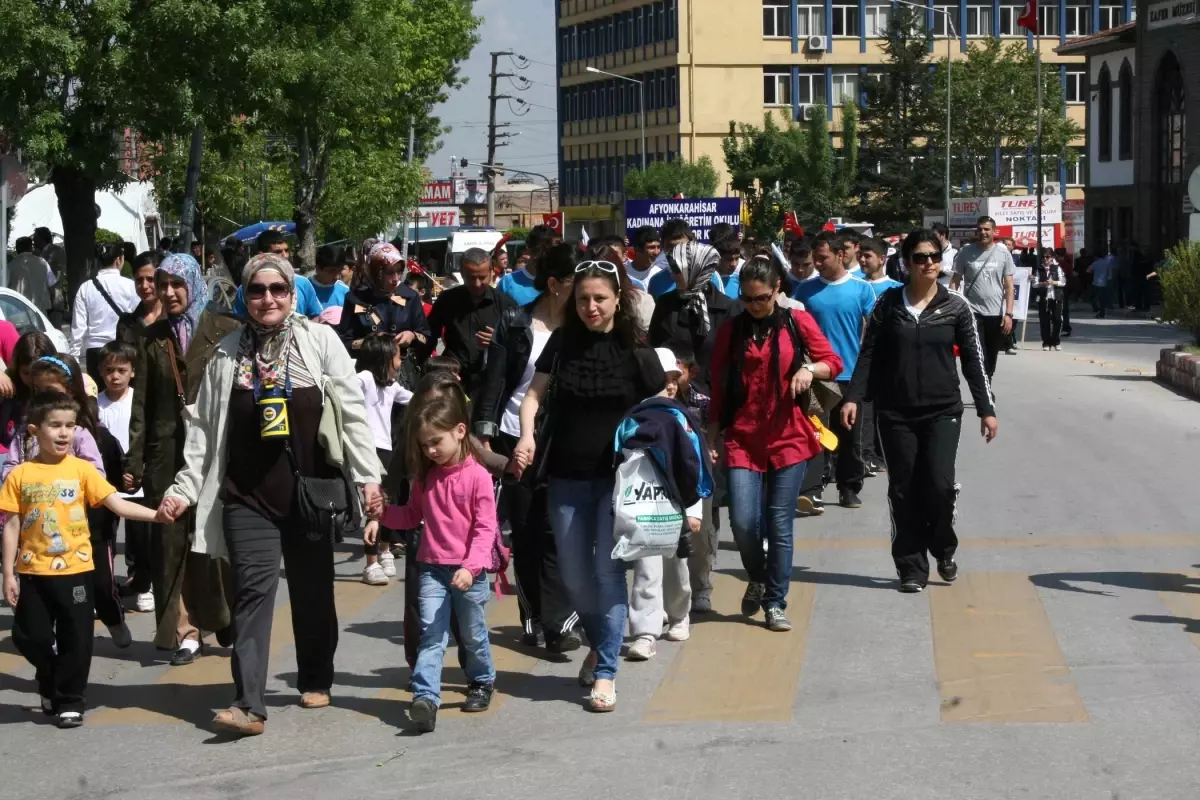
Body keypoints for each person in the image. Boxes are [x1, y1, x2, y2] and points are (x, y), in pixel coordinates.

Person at [157, 252, 383, 737]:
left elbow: (352, 414)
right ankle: (249, 704)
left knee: (313, 593)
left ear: (291, 293)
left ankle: (316, 675)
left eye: (278, 289)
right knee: (253, 597)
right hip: (246, 497)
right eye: (256, 291)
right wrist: (184, 488)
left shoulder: (319, 342)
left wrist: (369, 478)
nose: (267, 299)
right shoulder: (225, 353)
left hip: (309, 494)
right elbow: (202, 432)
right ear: (244, 295)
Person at [513, 260, 666, 713]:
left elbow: (660, 406)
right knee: (576, 581)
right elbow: (534, 395)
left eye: (600, 298)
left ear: (619, 298)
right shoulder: (561, 344)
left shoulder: (635, 348)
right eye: (583, 299)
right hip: (565, 475)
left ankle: (605, 674)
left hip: (619, 482)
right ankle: (602, 643)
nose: (591, 307)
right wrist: (527, 434)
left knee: (607, 575)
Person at [842, 229, 998, 593]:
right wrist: (853, 397)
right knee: (904, 488)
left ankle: (944, 548)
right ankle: (911, 566)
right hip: (895, 412)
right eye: (920, 257)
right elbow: (868, 354)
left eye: (934, 256)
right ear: (907, 262)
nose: (928, 263)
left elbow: (974, 362)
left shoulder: (956, 306)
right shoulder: (889, 304)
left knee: (940, 486)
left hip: (943, 411)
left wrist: (986, 409)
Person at [1, 392, 162, 728]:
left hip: (76, 571)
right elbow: (12, 524)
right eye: (55, 426)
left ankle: (70, 700)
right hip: (32, 572)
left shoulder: (81, 471)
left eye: (70, 426)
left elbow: (117, 504)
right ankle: (48, 678)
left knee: (77, 638)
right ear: (35, 430)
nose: (64, 433)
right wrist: (8, 574)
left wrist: (156, 515)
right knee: (30, 637)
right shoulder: (20, 475)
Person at [709, 259, 841, 630]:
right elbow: (719, 383)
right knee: (743, 520)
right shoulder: (731, 331)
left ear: (777, 289)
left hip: (789, 435)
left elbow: (833, 361)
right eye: (748, 299)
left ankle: (775, 602)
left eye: (762, 298)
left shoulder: (797, 323)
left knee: (779, 522)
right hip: (742, 436)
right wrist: (713, 430)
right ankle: (758, 575)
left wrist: (808, 368)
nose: (755, 306)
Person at [127, 253, 241, 664]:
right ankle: (185, 631)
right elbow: (141, 405)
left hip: (215, 451)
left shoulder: (226, 330)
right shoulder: (150, 337)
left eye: (178, 284)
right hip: (166, 455)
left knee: (212, 539)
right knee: (170, 545)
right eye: (163, 284)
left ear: (194, 283)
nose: (169, 292)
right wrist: (134, 461)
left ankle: (225, 616)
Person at [473, 243, 581, 653]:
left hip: (564, 442)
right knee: (527, 533)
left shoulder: (583, 326)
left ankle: (559, 621)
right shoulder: (515, 322)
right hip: (512, 437)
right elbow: (495, 380)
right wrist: (484, 435)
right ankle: (537, 616)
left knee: (558, 532)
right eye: (575, 282)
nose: (585, 291)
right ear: (554, 284)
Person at [375, 391, 500, 733]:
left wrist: (471, 566)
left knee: (472, 634)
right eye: (425, 444)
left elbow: (485, 527)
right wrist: (384, 513)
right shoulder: (426, 477)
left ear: (460, 431)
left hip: (468, 574)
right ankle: (426, 698)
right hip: (431, 567)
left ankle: (481, 681)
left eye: (436, 442)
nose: (430, 450)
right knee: (432, 633)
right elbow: (412, 515)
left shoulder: (478, 477)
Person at [647, 240, 742, 612]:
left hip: (715, 418)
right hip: (672, 418)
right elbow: (652, 359)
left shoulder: (729, 310)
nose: (672, 275)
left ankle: (702, 582)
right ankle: (667, 587)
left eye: (678, 267)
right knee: (671, 502)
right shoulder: (666, 309)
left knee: (706, 504)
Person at [793, 231, 878, 509]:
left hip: (850, 375)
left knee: (850, 436)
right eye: (814, 258)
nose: (817, 263)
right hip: (816, 375)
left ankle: (849, 487)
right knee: (815, 433)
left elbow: (873, 332)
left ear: (841, 255)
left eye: (823, 258)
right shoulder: (805, 291)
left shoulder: (862, 289)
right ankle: (812, 489)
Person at [625, 347, 695, 661]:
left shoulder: (681, 417)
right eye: (662, 379)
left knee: (677, 567)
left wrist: (693, 510)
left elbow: (697, 467)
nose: (669, 385)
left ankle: (680, 615)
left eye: (673, 379)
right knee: (646, 567)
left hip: (676, 503)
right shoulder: (630, 418)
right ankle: (645, 632)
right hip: (642, 504)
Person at [96, 341, 154, 614]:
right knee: (104, 539)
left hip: (136, 480)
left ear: (132, 372)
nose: (115, 376)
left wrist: (136, 471)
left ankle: (144, 585)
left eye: (121, 370)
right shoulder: (96, 405)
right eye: (109, 370)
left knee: (141, 538)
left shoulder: (138, 401)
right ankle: (103, 591)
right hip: (104, 481)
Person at [355, 332, 414, 586]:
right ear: (385, 358)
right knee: (374, 504)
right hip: (368, 448)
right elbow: (345, 389)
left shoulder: (390, 386)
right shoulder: (365, 379)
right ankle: (370, 563)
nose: (400, 362)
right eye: (398, 356)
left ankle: (386, 550)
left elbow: (413, 399)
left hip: (386, 449)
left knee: (388, 501)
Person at [427, 247, 515, 399]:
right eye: (471, 277)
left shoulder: (505, 304)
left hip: (491, 383)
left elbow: (519, 344)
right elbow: (429, 335)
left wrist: (499, 340)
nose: (477, 283)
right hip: (453, 380)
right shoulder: (447, 300)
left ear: (492, 272)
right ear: (461, 273)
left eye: (482, 277)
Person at [336, 243, 431, 361]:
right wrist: (371, 343)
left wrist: (412, 336)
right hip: (368, 370)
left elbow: (427, 337)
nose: (396, 279)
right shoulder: (355, 299)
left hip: (402, 370)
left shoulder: (410, 297)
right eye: (390, 273)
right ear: (375, 272)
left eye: (399, 272)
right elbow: (344, 343)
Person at [952, 217, 1015, 381]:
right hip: (972, 312)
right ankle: (983, 389)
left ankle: (987, 382)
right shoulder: (965, 252)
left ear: (994, 231)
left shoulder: (1003, 253)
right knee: (978, 354)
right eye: (980, 229)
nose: (983, 232)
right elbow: (955, 280)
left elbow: (1009, 286)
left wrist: (1008, 314)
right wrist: (954, 306)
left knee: (992, 354)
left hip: (995, 314)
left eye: (986, 229)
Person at [70, 243, 138, 380]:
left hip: (95, 352)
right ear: (119, 260)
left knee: (97, 397)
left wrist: (74, 358)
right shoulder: (130, 285)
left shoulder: (86, 287)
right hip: (122, 348)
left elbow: (78, 327)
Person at [230, 230, 323, 319]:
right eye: (278, 252)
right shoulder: (245, 289)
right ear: (261, 255)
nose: (285, 255)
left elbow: (316, 315)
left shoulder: (303, 283)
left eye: (286, 250)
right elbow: (239, 322)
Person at [498, 225, 558, 305]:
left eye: (550, 251)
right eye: (540, 250)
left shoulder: (561, 282)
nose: (544, 255)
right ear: (528, 248)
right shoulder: (507, 282)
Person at [116, 251, 164, 345]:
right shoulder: (127, 324)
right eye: (139, 280)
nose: (144, 286)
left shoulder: (174, 320)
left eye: (151, 279)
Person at [8, 237, 56, 312]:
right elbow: (52, 287)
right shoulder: (43, 263)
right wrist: (51, 305)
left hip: (18, 310)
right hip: (40, 310)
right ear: (31, 247)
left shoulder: (11, 266)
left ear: (17, 248)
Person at [1035, 249, 1067, 351]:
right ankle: (1046, 342)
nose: (1045, 259)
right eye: (1043, 257)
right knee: (1044, 321)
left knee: (1058, 320)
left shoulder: (1057, 268)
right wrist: (1042, 283)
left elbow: (1063, 282)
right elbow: (1034, 284)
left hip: (1056, 297)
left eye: (1047, 257)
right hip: (1044, 298)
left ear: (1052, 257)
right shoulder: (1039, 269)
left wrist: (1053, 282)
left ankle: (1056, 341)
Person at [311, 244, 350, 312]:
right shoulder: (306, 288)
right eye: (332, 271)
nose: (337, 277)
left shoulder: (346, 292)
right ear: (318, 269)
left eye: (340, 271)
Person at [1089, 248, 1118, 318]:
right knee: (1102, 300)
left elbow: (1088, 270)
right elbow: (1111, 272)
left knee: (1093, 298)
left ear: (1096, 256)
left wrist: (1093, 272)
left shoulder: (1095, 263)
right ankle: (1102, 314)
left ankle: (1097, 310)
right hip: (1105, 283)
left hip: (1096, 283)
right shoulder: (1106, 263)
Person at [931, 222, 957, 287]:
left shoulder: (955, 251)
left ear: (943, 235)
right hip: (932, 288)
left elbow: (957, 273)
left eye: (935, 235)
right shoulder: (931, 250)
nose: (932, 237)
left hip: (948, 289)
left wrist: (942, 268)